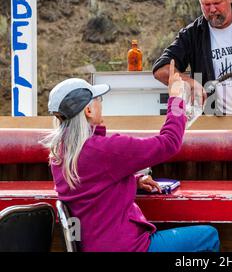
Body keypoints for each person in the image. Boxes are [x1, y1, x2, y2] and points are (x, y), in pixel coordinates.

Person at [41, 60, 220, 252]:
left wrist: (134, 182)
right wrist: (176, 98)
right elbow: (169, 143)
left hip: (93, 246)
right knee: (208, 236)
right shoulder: (104, 150)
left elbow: (90, 186)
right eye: (98, 100)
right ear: (88, 111)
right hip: (128, 248)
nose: (101, 103)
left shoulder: (59, 153)